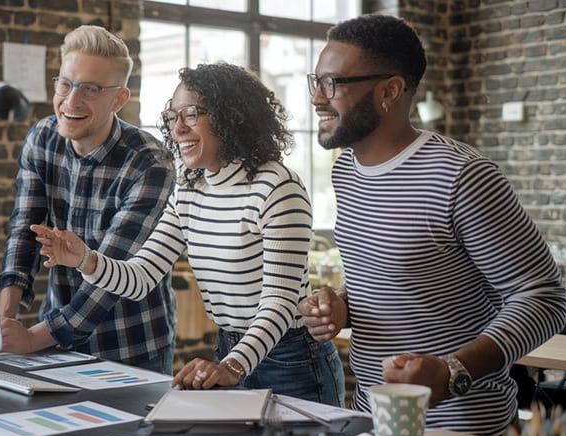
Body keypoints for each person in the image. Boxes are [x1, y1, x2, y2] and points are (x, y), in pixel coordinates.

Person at [298, 14, 566, 436]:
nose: (317, 98)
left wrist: (451, 370)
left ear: (389, 91)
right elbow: (390, 278)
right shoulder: (346, 171)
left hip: (462, 427)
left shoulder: (463, 175)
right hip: (373, 418)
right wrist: (342, 305)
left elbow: (544, 298)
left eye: (332, 83)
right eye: (314, 82)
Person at [33, 62, 345, 405]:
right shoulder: (189, 191)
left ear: (231, 117)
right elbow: (140, 278)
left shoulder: (277, 188)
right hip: (231, 349)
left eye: (191, 114)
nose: (178, 128)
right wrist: (86, 259)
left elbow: (279, 304)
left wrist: (233, 365)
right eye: (173, 116)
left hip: (291, 359)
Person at [0, 25, 177, 374]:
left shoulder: (150, 163)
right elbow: (24, 232)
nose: (71, 101)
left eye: (91, 89)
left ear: (119, 99)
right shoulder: (43, 137)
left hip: (131, 348)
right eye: (65, 83)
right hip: (56, 344)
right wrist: (5, 322)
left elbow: (112, 279)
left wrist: (32, 339)